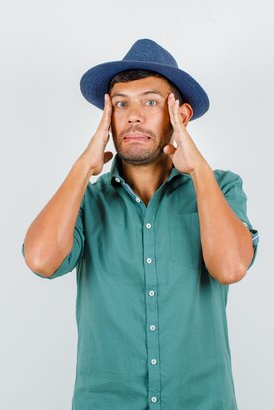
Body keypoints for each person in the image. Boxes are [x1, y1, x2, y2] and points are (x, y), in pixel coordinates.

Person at [21, 38, 260, 409]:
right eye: (120, 104)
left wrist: (197, 167)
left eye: (150, 102)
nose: (133, 115)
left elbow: (230, 267)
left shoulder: (221, 188)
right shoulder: (86, 199)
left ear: (179, 115)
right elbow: (40, 260)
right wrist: (83, 166)